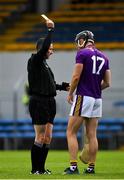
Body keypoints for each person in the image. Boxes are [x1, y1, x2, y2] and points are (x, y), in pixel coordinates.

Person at [63, 30, 111, 174]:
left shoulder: (82, 53)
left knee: (70, 132)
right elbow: (107, 83)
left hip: (84, 96)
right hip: (97, 98)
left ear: (83, 40)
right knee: (92, 135)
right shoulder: (104, 57)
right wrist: (95, 87)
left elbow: (76, 76)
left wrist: (70, 93)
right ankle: (91, 168)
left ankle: (73, 167)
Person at [27, 18, 69, 175]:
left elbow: (50, 84)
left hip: (50, 102)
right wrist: (50, 30)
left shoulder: (45, 65)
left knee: (48, 137)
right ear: (42, 49)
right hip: (38, 102)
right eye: (50, 48)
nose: (52, 50)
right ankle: (34, 170)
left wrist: (63, 87)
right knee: (40, 136)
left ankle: (42, 169)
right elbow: (44, 47)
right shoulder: (34, 61)